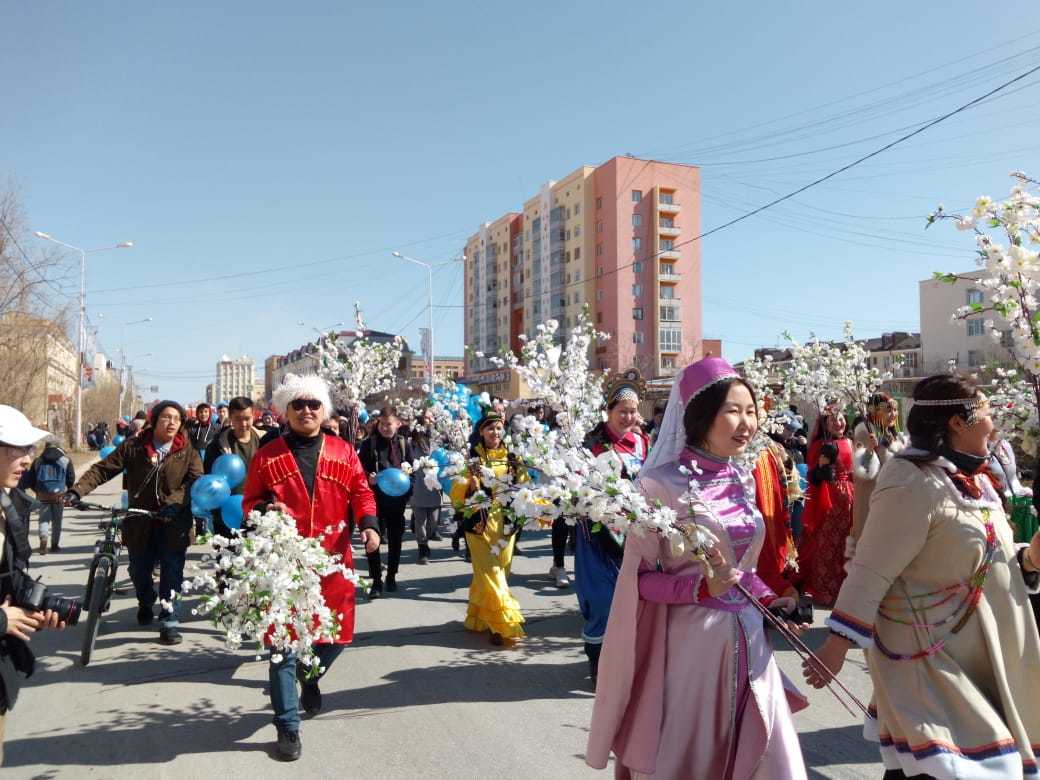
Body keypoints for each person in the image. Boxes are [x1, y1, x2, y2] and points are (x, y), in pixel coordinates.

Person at [805, 374, 1040, 779]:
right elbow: (871, 568)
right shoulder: (910, 480)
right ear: (957, 422)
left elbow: (982, 558)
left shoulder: (976, 483)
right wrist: (837, 644)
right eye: (986, 414)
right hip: (929, 658)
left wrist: (1030, 560)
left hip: (978, 652)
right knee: (947, 765)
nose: (993, 424)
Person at [587, 357, 808, 778]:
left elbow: (740, 567)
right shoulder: (659, 486)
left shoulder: (741, 478)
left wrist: (769, 599)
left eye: (751, 411)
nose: (747, 423)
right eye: (733, 411)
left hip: (750, 644)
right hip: (691, 654)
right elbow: (640, 580)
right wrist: (700, 590)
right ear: (701, 415)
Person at [242, 374, 379, 761]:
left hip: (333, 560)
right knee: (281, 645)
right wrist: (266, 510)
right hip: (283, 563)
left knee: (337, 636)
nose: (306, 411)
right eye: (298, 405)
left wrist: (369, 525)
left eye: (313, 404)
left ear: (324, 411)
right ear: (285, 411)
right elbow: (249, 503)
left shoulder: (343, 451)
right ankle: (287, 725)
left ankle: (311, 673)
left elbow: (361, 493)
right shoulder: (267, 456)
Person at [68, 400, 202, 645]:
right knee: (139, 571)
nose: (171, 422)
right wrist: (77, 491)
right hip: (139, 521)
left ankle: (169, 620)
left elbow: (195, 482)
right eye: (166, 417)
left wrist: (174, 503)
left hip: (174, 522)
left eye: (176, 418)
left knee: (172, 571)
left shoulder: (188, 451)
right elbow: (102, 470)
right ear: (154, 419)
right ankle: (145, 600)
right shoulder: (134, 446)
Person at [0, 406, 66, 764]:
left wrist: (29, 612)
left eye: (29, 450)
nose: (27, 459)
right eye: (17, 449)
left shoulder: (6, 503)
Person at [576, 372, 650, 684]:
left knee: (637, 600)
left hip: (635, 532)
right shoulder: (591, 444)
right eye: (622, 411)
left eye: (633, 411)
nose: (628, 417)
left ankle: (628, 660)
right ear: (608, 411)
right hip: (598, 534)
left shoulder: (643, 443)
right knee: (604, 600)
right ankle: (597, 664)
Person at [451, 412, 526, 645]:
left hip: (506, 523)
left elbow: (524, 486)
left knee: (501, 572)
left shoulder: (513, 457)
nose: (495, 432)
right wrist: (468, 487)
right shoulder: (472, 459)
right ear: (481, 432)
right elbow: (457, 493)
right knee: (491, 574)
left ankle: (479, 618)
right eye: (490, 428)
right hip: (479, 524)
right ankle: (502, 626)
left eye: (498, 428)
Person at [796, 404, 854, 607]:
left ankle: (845, 589)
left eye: (841, 419)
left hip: (851, 498)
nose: (839, 423)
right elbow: (812, 474)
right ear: (825, 424)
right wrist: (823, 468)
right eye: (833, 420)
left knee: (846, 545)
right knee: (827, 543)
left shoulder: (850, 441)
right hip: (830, 498)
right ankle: (825, 591)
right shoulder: (819, 445)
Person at [358, 406, 414, 595]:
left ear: (398, 424)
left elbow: (413, 470)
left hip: (397, 501)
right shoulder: (369, 444)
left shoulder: (404, 444)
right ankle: (376, 581)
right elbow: (358, 470)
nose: (384, 427)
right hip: (374, 500)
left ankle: (391, 576)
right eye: (381, 423)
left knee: (396, 540)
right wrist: (369, 477)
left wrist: (408, 481)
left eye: (388, 424)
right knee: (372, 540)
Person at [849, 393, 907, 558]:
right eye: (888, 410)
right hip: (872, 499)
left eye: (895, 410)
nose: (893, 415)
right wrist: (871, 451)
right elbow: (863, 472)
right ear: (874, 412)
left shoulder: (893, 434)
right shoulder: (864, 432)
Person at [204, 396, 263, 537]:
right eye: (238, 418)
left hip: (257, 512)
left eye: (247, 418)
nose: (243, 423)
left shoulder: (264, 441)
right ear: (230, 417)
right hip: (226, 513)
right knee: (226, 557)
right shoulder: (217, 445)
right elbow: (209, 477)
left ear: (253, 416)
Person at [17, 438, 75, 554]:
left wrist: (38, 491)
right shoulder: (65, 460)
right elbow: (71, 478)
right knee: (57, 520)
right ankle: (54, 545)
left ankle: (43, 538)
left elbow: (31, 480)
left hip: (42, 495)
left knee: (44, 519)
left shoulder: (38, 461)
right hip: (59, 495)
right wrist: (66, 489)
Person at [409, 411, 442, 565]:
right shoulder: (411, 443)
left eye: (431, 417)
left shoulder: (437, 439)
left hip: (434, 487)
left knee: (434, 521)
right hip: (418, 486)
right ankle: (422, 547)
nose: (430, 420)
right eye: (426, 418)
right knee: (420, 522)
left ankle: (426, 540)